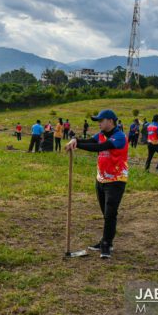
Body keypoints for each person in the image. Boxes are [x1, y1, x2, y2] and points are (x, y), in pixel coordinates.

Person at [65, 109, 128, 259]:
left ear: (110, 121)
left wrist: (78, 145)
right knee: (106, 214)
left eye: (101, 120)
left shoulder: (120, 136)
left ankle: (107, 244)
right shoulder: (100, 135)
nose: (99, 123)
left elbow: (100, 147)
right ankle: (105, 240)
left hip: (116, 180)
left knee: (110, 213)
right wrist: (76, 141)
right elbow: (92, 141)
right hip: (100, 180)